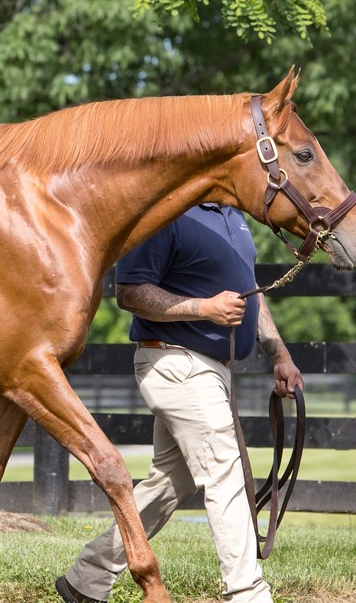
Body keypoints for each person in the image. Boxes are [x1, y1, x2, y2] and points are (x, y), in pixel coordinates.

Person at [55, 203, 303, 603]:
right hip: (176, 361)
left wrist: (279, 355)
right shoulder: (166, 213)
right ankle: (247, 594)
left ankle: (86, 578)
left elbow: (250, 293)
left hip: (212, 368)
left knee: (172, 482)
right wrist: (203, 308)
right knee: (224, 470)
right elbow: (129, 292)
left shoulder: (233, 217)